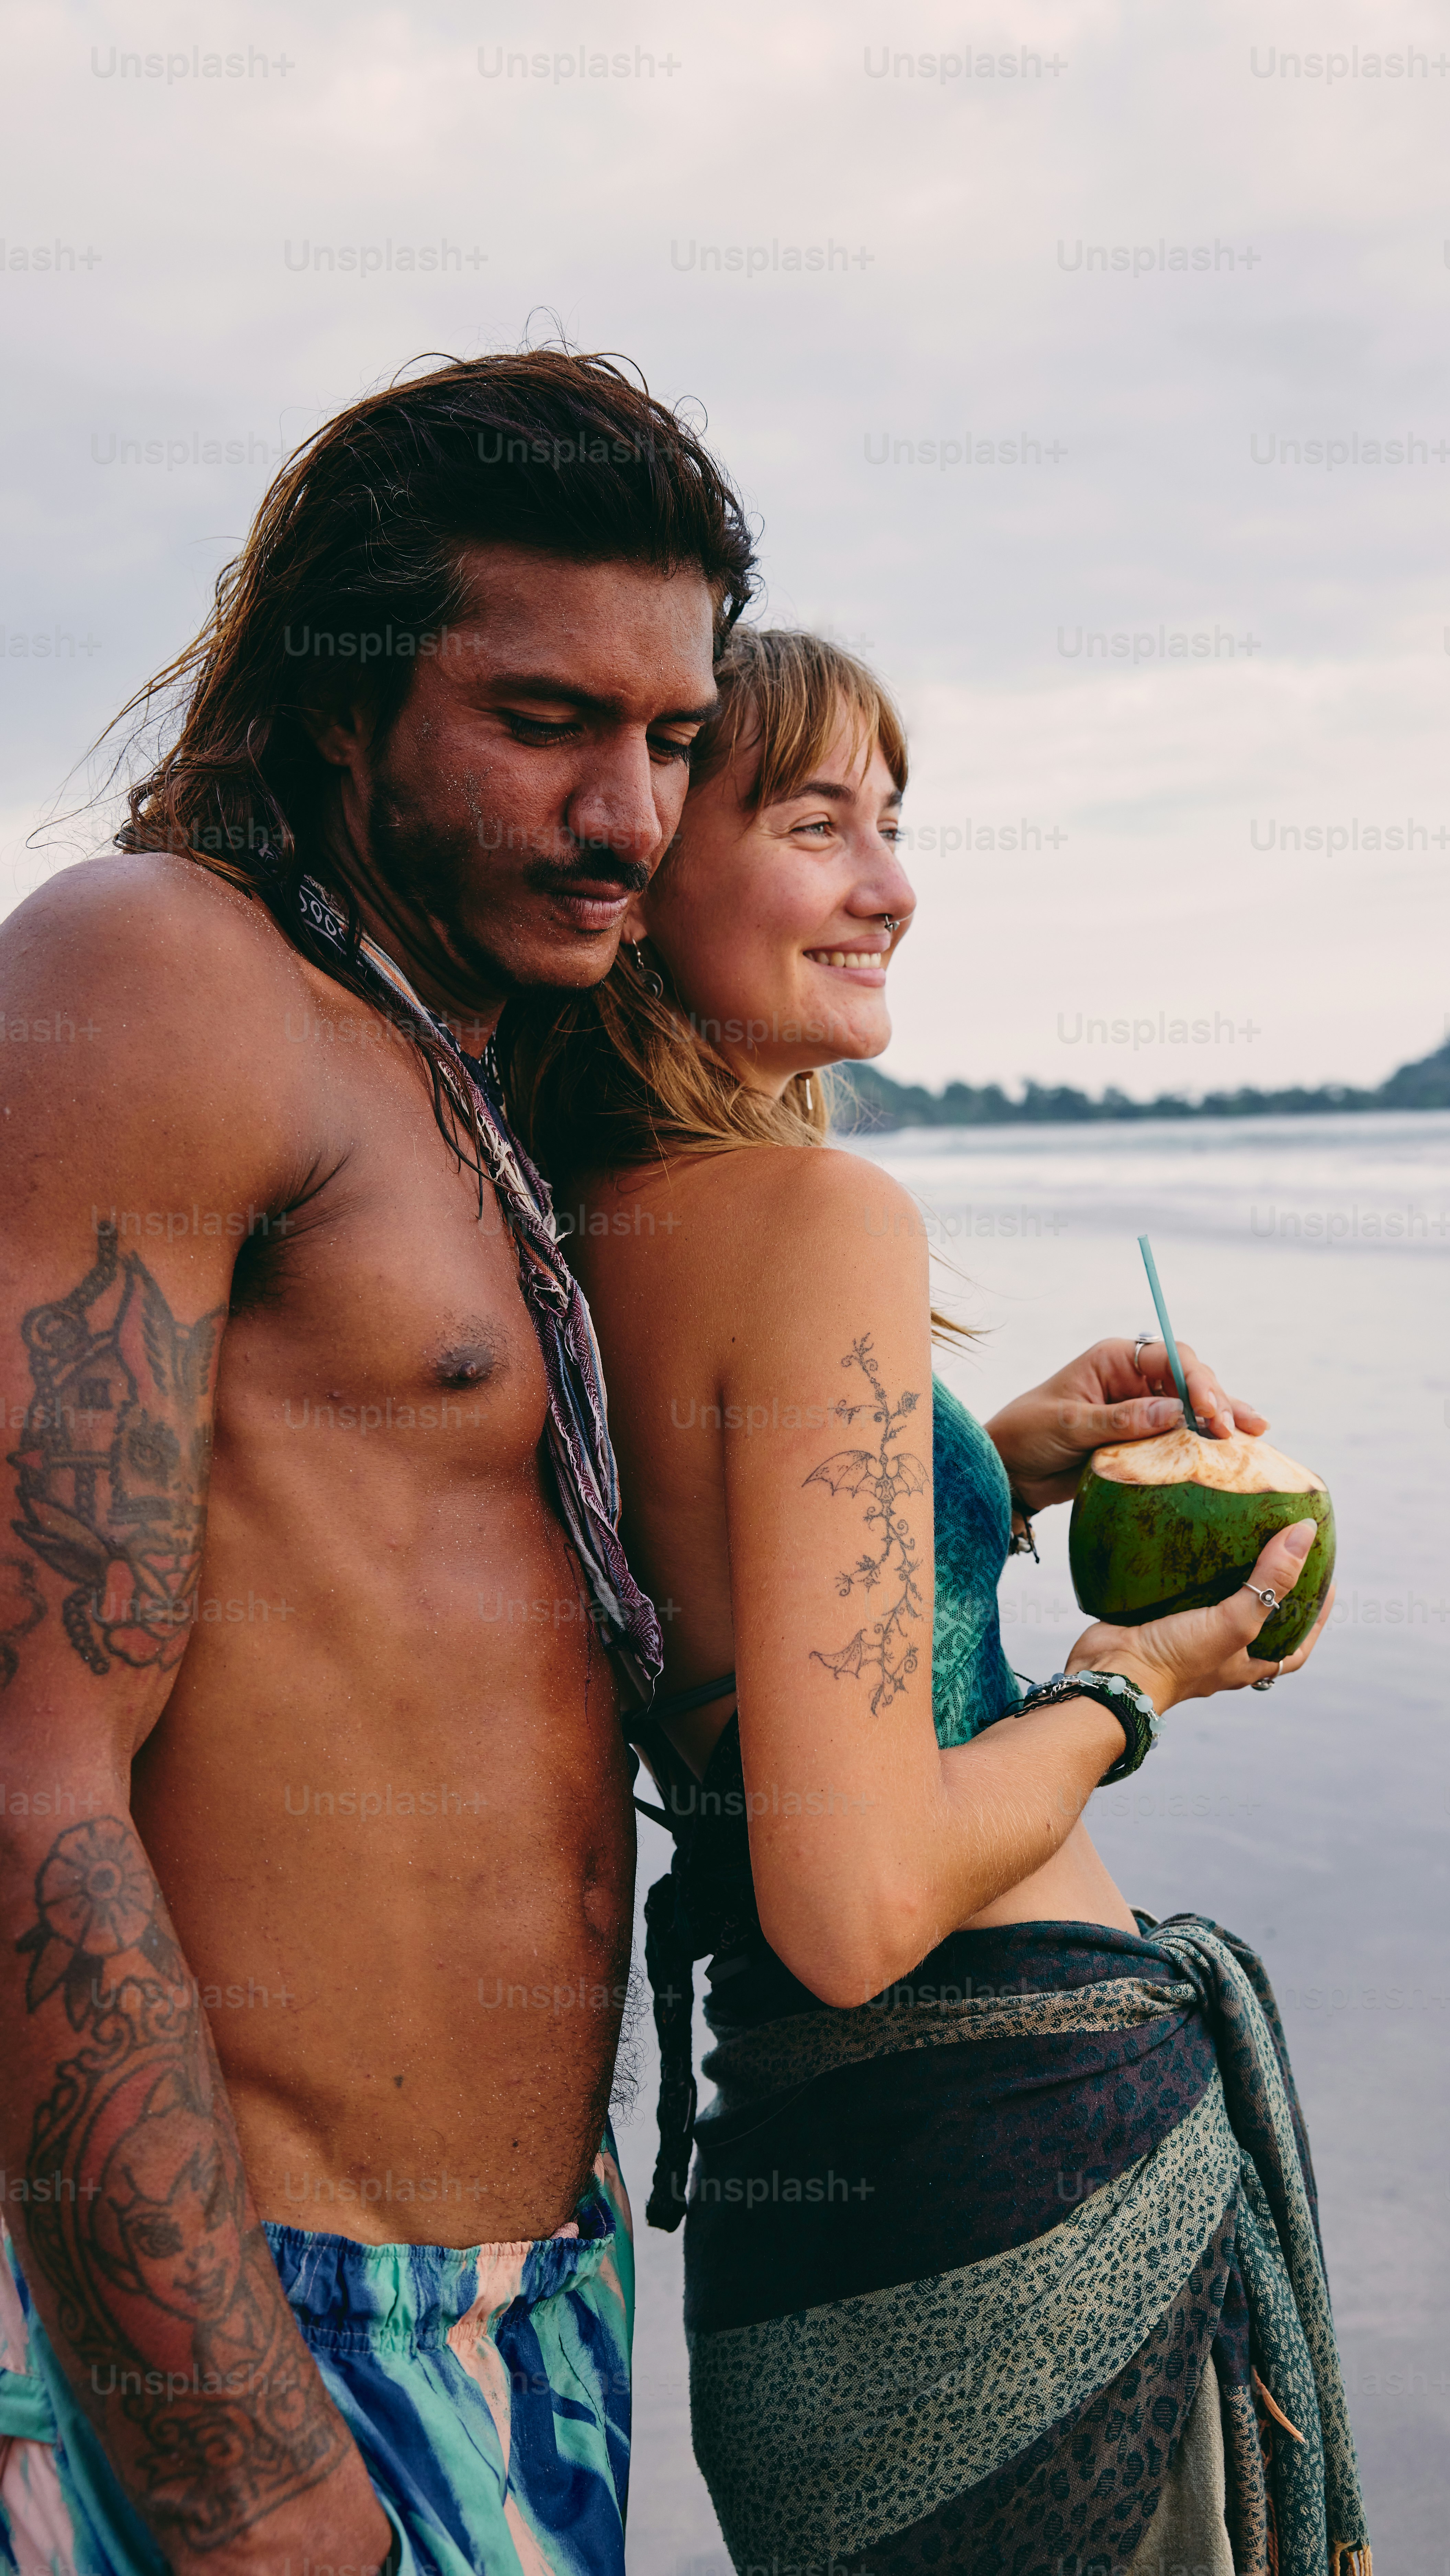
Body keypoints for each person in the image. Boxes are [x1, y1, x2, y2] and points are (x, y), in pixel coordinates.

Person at [0, 350, 755, 2576]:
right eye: (545, 723)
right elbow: (25, 1763)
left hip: (530, 2298)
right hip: (245, 2332)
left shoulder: (457, 1075)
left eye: (678, 741)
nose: (633, 813)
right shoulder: (162, 979)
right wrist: (239, 2471)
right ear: (338, 706)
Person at [517, 629, 1373, 2574]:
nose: (892, 886)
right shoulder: (823, 1221)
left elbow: (748, 1608)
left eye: (892, 827)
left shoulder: (579, 1220)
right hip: (1014, 2177)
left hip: (812, 2219)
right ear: (650, 871)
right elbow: (855, 1899)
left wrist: (985, 1462)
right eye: (819, 825)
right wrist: (1130, 1685)